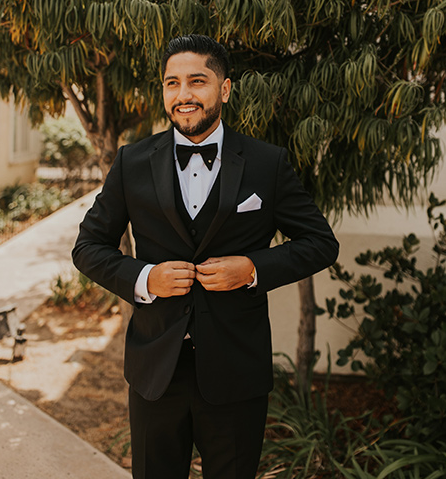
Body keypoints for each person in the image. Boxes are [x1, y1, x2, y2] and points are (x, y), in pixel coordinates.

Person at [72, 34, 339, 479]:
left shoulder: (265, 163)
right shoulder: (132, 162)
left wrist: (253, 269)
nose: (183, 95)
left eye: (197, 81)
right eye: (171, 83)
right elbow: (88, 247)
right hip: (156, 370)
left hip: (237, 370)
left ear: (225, 89)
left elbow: (320, 242)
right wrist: (144, 278)